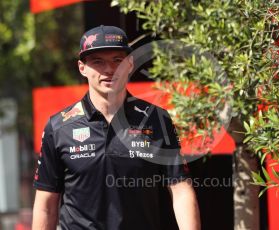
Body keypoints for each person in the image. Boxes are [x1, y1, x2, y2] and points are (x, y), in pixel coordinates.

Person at [32, 25, 201, 230]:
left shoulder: (156, 119)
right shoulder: (59, 126)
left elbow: (181, 190)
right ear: (82, 67)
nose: (109, 70)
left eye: (117, 60)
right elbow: (46, 205)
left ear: (130, 64)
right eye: (98, 62)